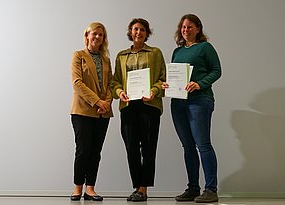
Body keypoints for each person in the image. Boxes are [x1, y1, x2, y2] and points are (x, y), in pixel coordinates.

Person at [162, 14, 222, 203]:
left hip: (199, 101)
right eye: (183, 27)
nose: (185, 30)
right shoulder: (177, 51)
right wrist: (167, 84)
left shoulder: (205, 47)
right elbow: (173, 75)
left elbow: (216, 70)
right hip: (178, 103)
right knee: (188, 146)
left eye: (189, 27)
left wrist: (200, 83)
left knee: (203, 144)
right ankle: (193, 188)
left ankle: (211, 189)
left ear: (198, 29)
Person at [111, 18, 166, 202]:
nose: (139, 32)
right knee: (131, 147)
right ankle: (137, 187)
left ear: (147, 33)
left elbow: (162, 78)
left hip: (149, 105)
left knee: (148, 148)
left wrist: (154, 91)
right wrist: (120, 92)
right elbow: (115, 81)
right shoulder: (121, 56)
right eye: (135, 29)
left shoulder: (155, 53)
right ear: (130, 32)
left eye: (142, 29)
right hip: (128, 106)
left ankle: (143, 189)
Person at [69, 22, 113, 201]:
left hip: (103, 112)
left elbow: (110, 83)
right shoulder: (78, 56)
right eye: (94, 34)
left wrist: (107, 102)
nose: (97, 37)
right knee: (83, 150)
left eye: (101, 35)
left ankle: (90, 188)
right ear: (87, 35)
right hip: (82, 111)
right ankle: (77, 187)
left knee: (96, 151)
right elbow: (77, 83)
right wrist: (97, 101)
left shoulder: (106, 59)